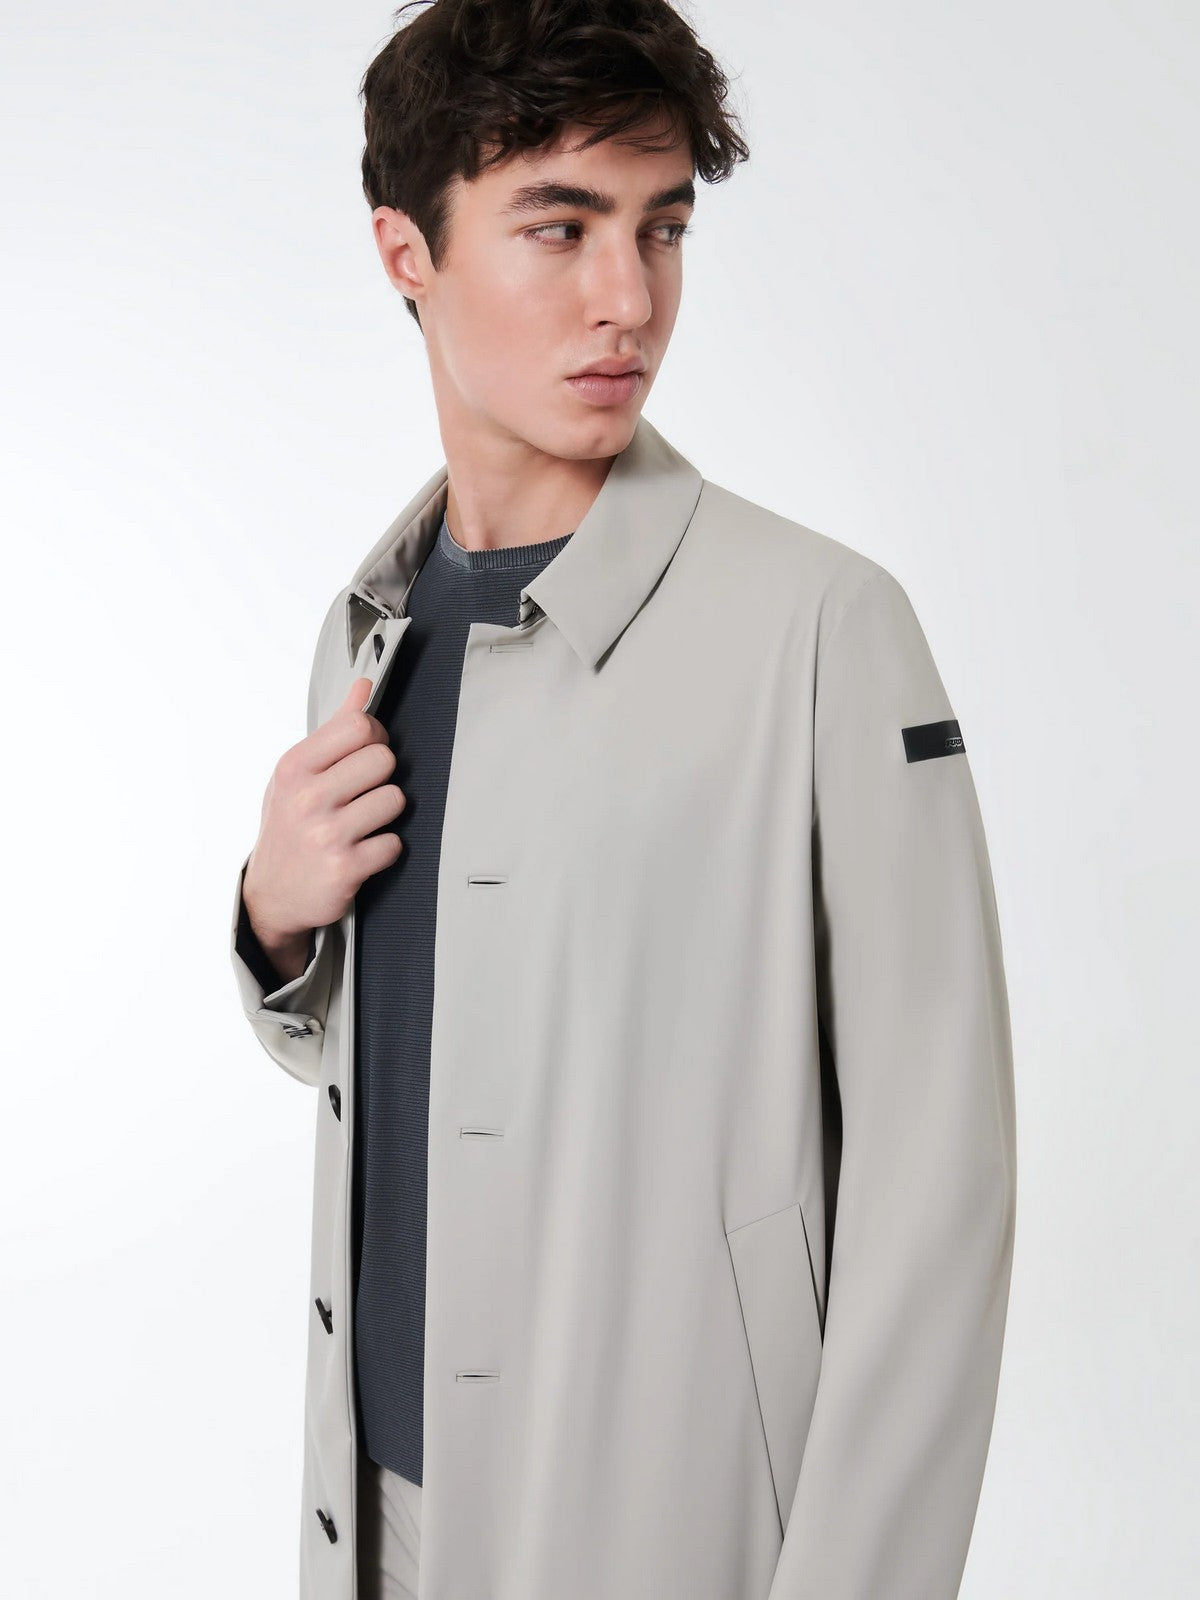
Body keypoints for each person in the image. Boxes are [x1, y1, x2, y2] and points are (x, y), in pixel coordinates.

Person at [229, 3, 1017, 1598]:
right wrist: (275, 927)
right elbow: (419, 1058)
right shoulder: (367, 636)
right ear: (406, 253)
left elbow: (942, 1188)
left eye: (662, 228)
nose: (629, 299)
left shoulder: (822, 630)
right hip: (376, 1515)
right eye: (559, 227)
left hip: (666, 1526)